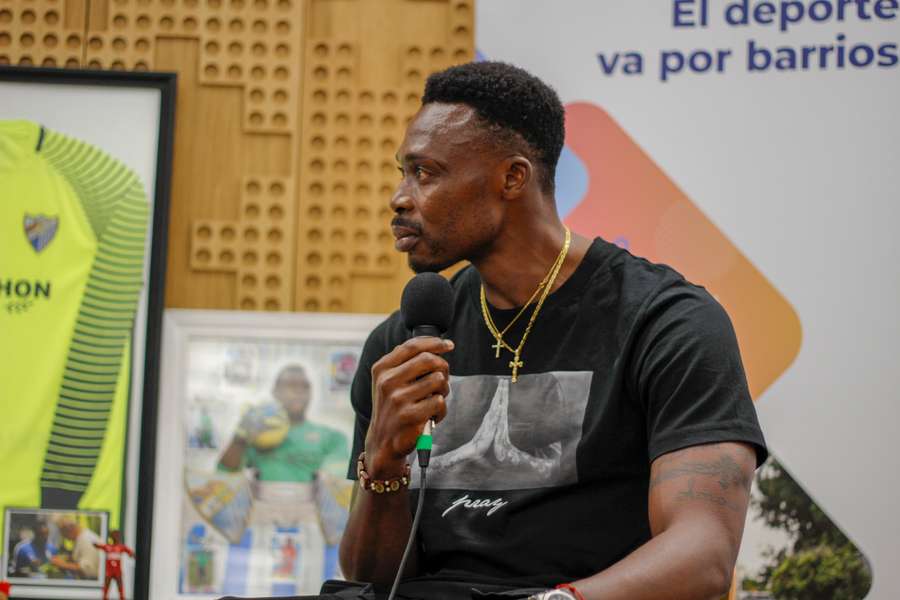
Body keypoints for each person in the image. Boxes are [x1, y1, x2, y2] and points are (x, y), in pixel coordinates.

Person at [332, 61, 768, 600]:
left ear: (512, 178)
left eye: (426, 173)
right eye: (402, 172)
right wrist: (383, 463)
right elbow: (373, 579)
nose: (399, 197)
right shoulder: (401, 344)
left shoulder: (667, 322)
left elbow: (704, 556)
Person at [50, 514, 101, 579]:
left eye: (62, 533)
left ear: (68, 529)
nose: (64, 537)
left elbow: (89, 570)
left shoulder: (86, 540)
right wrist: (69, 559)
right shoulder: (80, 538)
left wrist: (63, 565)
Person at [93, 530, 134, 600]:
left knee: (120, 586)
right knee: (106, 586)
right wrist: (93, 543)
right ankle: (105, 597)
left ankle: (122, 597)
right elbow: (98, 546)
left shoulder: (121, 547)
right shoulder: (107, 547)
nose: (116, 537)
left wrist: (131, 555)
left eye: (117, 536)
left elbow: (130, 552)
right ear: (111, 537)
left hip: (117, 571)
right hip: (109, 571)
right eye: (115, 536)